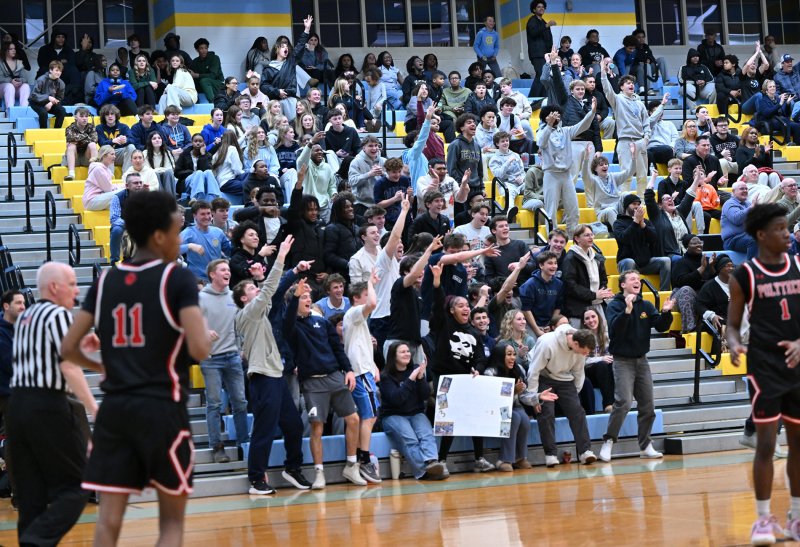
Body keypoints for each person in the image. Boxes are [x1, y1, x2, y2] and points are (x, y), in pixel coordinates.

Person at [61, 190, 211, 546]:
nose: (180, 239)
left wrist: (103, 364)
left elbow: (68, 347)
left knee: (108, 524)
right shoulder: (177, 278)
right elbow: (199, 348)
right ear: (159, 236)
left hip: (115, 412)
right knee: (171, 525)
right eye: (177, 231)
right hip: (161, 409)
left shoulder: (106, 280)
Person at [7, 263, 98, 546]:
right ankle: (37, 541)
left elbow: (48, 353)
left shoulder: (26, 317)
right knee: (77, 486)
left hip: (17, 408)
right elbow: (68, 366)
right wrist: (95, 408)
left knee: (31, 495)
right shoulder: (58, 314)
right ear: (55, 287)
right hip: (47, 406)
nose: (77, 289)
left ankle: (31, 541)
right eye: (72, 283)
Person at [725, 203, 800, 545]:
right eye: (781, 229)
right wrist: (734, 344)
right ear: (761, 235)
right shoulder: (744, 275)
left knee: (799, 445)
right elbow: (732, 324)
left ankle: (796, 517)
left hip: (798, 365)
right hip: (764, 366)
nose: (788, 234)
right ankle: (762, 520)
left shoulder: (798, 265)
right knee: (767, 444)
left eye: (788, 228)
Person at [233, 235, 311, 494]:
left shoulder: (261, 314)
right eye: (252, 291)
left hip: (275, 376)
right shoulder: (248, 314)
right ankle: (256, 479)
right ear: (245, 299)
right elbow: (269, 290)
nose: (258, 292)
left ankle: (292, 467)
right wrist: (280, 258)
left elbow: (273, 292)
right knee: (264, 430)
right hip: (262, 377)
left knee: (294, 425)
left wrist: (294, 271)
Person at [284, 277, 366, 488]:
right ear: (294, 301)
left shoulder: (320, 321)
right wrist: (294, 297)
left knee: (354, 419)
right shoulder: (291, 325)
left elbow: (337, 348)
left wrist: (348, 370)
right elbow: (287, 321)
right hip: (312, 383)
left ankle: (351, 465)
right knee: (317, 427)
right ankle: (319, 473)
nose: (308, 299)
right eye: (303, 296)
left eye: (309, 295)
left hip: (335, 377)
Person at [598, 270, 674, 462]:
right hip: (622, 361)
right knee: (623, 402)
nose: (637, 281)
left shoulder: (646, 305)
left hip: (642, 360)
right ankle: (608, 441)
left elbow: (660, 326)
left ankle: (645, 445)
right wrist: (628, 310)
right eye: (632, 279)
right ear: (622, 284)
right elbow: (616, 330)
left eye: (639, 279)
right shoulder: (614, 305)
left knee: (648, 405)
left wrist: (666, 313)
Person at [521, 324, 597, 467]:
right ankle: (550, 454)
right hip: (544, 376)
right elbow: (534, 370)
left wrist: (574, 396)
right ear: (575, 343)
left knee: (577, 411)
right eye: (584, 352)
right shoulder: (547, 342)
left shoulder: (580, 349)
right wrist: (534, 398)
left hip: (565, 380)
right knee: (546, 412)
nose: (585, 355)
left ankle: (585, 452)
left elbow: (579, 374)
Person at [198, 259, 249, 463]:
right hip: (210, 358)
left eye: (228, 269)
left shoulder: (233, 297)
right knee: (214, 403)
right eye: (223, 269)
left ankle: (243, 443)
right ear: (212, 275)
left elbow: (242, 324)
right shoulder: (200, 298)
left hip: (233, 357)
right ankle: (217, 446)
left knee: (240, 402)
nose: (228, 272)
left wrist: (242, 348)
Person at [379, 342, 445, 480]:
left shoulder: (415, 369)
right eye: (402, 352)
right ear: (393, 356)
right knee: (410, 439)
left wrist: (420, 378)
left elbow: (425, 395)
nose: (407, 354)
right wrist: (411, 379)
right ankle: (423, 472)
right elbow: (397, 399)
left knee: (426, 434)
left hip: (415, 413)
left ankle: (432, 462)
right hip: (393, 416)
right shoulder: (385, 376)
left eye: (408, 351)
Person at [537, 98, 597, 237]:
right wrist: (549, 125)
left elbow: (582, 126)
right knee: (551, 210)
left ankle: (572, 237)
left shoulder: (565, 131)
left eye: (558, 115)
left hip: (566, 174)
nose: (556, 117)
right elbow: (541, 142)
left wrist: (592, 112)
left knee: (573, 210)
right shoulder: (541, 131)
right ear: (545, 117)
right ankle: (552, 238)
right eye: (553, 115)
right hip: (551, 174)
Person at [600, 57, 650, 195]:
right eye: (627, 83)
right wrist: (603, 73)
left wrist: (646, 138)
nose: (631, 85)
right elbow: (607, 90)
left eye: (632, 83)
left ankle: (641, 201)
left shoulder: (640, 103)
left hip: (640, 141)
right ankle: (624, 201)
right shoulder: (617, 99)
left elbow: (646, 123)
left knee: (642, 175)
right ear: (621, 87)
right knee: (625, 175)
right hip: (625, 141)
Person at [483, 342, 533, 471]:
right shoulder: (490, 373)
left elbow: (524, 395)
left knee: (525, 420)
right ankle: (504, 459)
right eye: (509, 354)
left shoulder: (519, 369)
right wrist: (513, 392)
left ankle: (520, 458)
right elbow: (493, 399)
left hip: (514, 405)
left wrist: (538, 399)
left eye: (514, 354)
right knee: (514, 418)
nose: (513, 358)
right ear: (500, 356)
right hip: (494, 409)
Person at [614, 193, 671, 290]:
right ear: (626, 206)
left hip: (645, 263)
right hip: (626, 261)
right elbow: (623, 238)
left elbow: (654, 238)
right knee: (629, 261)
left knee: (665, 261)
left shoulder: (645, 222)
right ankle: (630, 294)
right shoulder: (619, 222)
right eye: (634, 204)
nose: (636, 206)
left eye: (638, 204)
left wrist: (643, 225)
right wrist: (635, 222)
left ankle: (663, 293)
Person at [561, 225, 613, 327]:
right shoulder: (570, 258)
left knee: (602, 339)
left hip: (597, 305)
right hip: (578, 309)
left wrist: (603, 292)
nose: (591, 237)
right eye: (586, 235)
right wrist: (594, 295)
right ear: (577, 238)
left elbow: (603, 280)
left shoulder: (597, 257)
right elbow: (570, 285)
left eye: (591, 235)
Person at [261, 17, 312, 121]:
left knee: (292, 127)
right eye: (283, 46)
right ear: (276, 49)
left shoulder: (290, 62)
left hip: (290, 100)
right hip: (275, 102)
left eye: (287, 46)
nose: (286, 48)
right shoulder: (268, 68)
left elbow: (299, 47)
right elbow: (263, 86)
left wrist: (306, 30)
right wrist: (277, 91)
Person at [180, 200, 233, 282]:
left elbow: (230, 251)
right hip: (197, 280)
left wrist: (234, 239)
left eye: (208, 213)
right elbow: (171, 250)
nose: (207, 217)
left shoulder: (218, 232)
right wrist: (189, 246)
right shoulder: (188, 232)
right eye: (202, 214)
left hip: (217, 279)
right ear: (194, 215)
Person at [519, 251, 563, 338]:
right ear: (541, 265)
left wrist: (551, 325)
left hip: (549, 325)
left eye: (555, 263)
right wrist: (537, 330)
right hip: (531, 325)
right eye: (550, 263)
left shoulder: (559, 284)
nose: (554, 266)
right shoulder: (530, 284)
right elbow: (526, 309)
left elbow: (558, 307)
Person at [583, 141, 632, 217]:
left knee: (626, 194)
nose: (605, 166)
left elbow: (629, 172)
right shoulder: (593, 180)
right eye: (601, 165)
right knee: (610, 211)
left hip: (617, 207)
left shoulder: (613, 176)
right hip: (602, 211)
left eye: (606, 164)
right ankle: (620, 228)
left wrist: (634, 158)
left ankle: (633, 223)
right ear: (595, 169)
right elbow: (585, 175)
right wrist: (586, 158)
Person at [581, 308, 615, 413]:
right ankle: (608, 404)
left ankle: (618, 403)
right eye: (587, 318)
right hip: (588, 372)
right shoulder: (582, 337)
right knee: (602, 364)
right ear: (584, 322)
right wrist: (600, 358)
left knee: (614, 365)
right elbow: (581, 360)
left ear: (598, 318)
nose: (591, 320)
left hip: (605, 371)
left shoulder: (607, 334)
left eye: (593, 316)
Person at [109, 172, 146, 264]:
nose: (139, 185)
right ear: (127, 186)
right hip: (124, 225)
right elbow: (114, 219)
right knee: (116, 230)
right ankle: (114, 259)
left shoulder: (147, 196)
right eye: (135, 183)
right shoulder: (117, 197)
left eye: (140, 183)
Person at [722, 181, 759, 260]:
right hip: (732, 240)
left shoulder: (748, 203)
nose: (745, 191)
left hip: (746, 237)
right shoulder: (729, 203)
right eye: (742, 189)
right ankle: (752, 268)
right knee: (754, 239)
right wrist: (752, 207)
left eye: (746, 189)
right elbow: (736, 219)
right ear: (733, 191)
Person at [97, 103, 136, 173]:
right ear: (104, 116)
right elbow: (101, 143)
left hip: (120, 154)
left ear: (116, 115)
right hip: (106, 155)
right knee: (108, 148)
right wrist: (113, 141)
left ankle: (126, 175)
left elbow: (132, 140)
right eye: (107, 114)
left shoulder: (124, 127)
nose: (110, 116)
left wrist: (126, 140)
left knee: (131, 147)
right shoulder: (99, 128)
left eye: (112, 114)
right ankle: (110, 176)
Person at [63, 106, 99, 181]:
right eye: (81, 116)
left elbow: (94, 139)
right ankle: (71, 174)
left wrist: (78, 139)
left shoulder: (91, 127)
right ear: (75, 117)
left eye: (86, 116)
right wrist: (87, 137)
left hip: (87, 158)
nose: (85, 118)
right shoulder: (70, 128)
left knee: (92, 145)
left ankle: (95, 173)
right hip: (74, 158)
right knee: (71, 146)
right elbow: (71, 138)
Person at [82, 145, 122, 211]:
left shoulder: (105, 169)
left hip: (98, 198)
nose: (114, 156)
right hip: (91, 200)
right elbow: (108, 189)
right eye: (112, 154)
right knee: (124, 192)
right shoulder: (98, 169)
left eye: (114, 154)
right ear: (104, 155)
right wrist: (121, 187)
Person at [30, 60, 66, 129]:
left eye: (60, 71)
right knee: (43, 113)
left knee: (62, 111)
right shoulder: (41, 79)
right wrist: (48, 98)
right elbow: (34, 95)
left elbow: (60, 97)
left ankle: (56, 132)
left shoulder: (61, 83)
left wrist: (51, 103)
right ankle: (44, 133)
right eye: (57, 70)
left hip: (50, 103)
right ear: (50, 70)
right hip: (36, 102)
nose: (59, 73)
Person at [188, 38, 223, 103]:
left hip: (217, 84)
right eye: (201, 48)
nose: (204, 50)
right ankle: (194, 103)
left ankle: (213, 103)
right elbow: (192, 75)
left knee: (204, 81)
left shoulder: (214, 58)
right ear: (197, 50)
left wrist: (197, 75)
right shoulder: (195, 61)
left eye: (206, 48)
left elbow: (213, 76)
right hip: (203, 86)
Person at [0, 41, 30, 108]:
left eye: (14, 49)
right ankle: (10, 111)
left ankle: (24, 111)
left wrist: (19, 81)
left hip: (16, 88)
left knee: (26, 86)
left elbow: (25, 78)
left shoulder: (19, 62)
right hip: (3, 89)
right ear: (5, 50)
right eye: (11, 49)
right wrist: (11, 81)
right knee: (9, 86)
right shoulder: (0, 63)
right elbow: (0, 78)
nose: (14, 51)